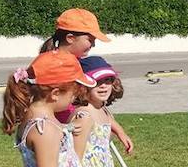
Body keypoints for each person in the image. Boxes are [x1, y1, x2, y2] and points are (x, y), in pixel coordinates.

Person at [41, 8, 134, 155]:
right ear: (71, 38)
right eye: (90, 40)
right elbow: (44, 104)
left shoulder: (78, 63)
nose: (93, 45)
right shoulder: (55, 66)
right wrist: (60, 127)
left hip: (82, 131)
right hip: (64, 137)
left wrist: (119, 131)